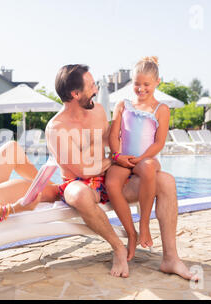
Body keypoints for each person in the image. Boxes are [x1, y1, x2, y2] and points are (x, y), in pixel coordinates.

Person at [46, 64, 196, 280]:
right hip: (79, 184)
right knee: (79, 194)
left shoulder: (96, 111)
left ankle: (171, 258)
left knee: (166, 181)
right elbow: (83, 170)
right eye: (91, 86)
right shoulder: (57, 128)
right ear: (75, 94)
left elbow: (110, 138)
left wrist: (138, 152)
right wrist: (115, 159)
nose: (96, 90)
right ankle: (118, 247)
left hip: (108, 178)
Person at [106, 56, 170, 262]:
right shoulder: (123, 105)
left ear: (157, 82)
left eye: (146, 84)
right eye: (136, 84)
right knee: (112, 183)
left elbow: (159, 142)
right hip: (123, 157)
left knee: (150, 168)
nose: (141, 89)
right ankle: (131, 234)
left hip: (145, 158)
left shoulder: (161, 109)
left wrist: (141, 158)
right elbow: (114, 135)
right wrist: (118, 156)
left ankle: (144, 225)